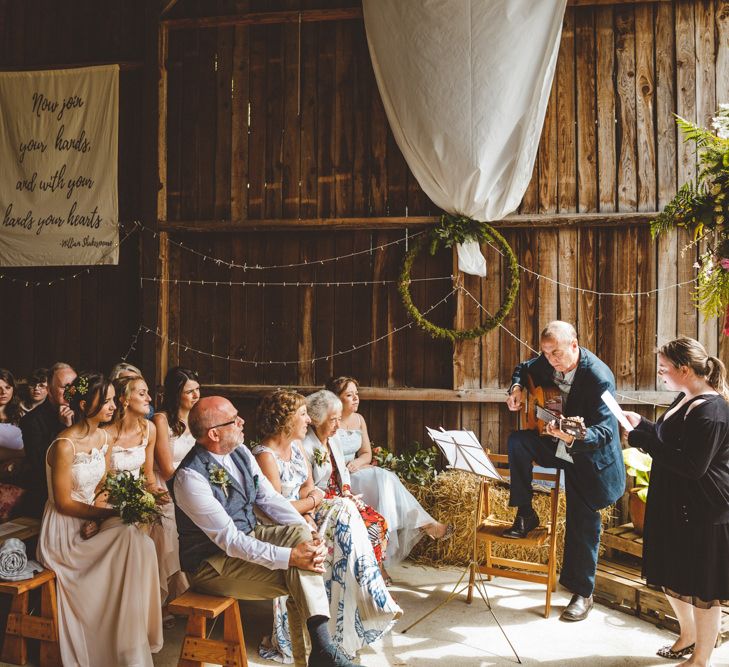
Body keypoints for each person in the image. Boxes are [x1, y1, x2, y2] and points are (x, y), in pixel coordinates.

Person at [171, 395, 357, 667]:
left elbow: (270, 499)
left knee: (300, 541)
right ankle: (322, 652)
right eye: (234, 420)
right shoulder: (190, 478)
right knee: (299, 571)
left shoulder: (241, 452)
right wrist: (290, 557)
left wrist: (307, 529)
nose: (242, 421)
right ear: (214, 433)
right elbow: (231, 542)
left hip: (249, 537)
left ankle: (320, 652)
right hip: (211, 565)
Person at [253, 390, 401, 663]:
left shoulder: (295, 447)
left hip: (306, 516)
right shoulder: (265, 455)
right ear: (286, 420)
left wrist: (309, 508)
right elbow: (274, 509)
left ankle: (352, 616)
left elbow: (309, 486)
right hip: (280, 527)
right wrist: (309, 505)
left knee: (349, 512)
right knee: (345, 509)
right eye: (302, 414)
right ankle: (372, 596)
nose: (308, 420)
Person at [37, 373, 162, 666]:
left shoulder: (104, 437)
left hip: (91, 518)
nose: (111, 405)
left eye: (110, 399)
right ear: (83, 404)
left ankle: (130, 639)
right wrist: (107, 515)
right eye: (104, 400)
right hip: (63, 533)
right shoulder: (64, 445)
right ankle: (117, 643)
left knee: (140, 542)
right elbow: (65, 503)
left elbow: (104, 486)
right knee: (131, 540)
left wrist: (104, 516)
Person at [505, 320, 624, 621]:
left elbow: (607, 432)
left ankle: (583, 593)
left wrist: (572, 436)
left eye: (556, 353)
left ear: (574, 344)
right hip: (557, 443)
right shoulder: (546, 363)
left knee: (582, 522)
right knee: (518, 442)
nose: (551, 360)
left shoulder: (599, 377)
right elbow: (523, 366)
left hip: (589, 456)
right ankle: (524, 512)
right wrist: (517, 387)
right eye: (546, 353)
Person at [625, 337, 729, 666]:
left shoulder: (712, 411)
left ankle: (700, 659)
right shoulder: (685, 398)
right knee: (671, 573)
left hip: (703, 507)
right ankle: (689, 634)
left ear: (684, 370)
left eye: (664, 369)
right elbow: (669, 440)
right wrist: (643, 425)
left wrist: (641, 440)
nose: (661, 374)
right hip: (675, 503)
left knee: (702, 588)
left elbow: (692, 465)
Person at [326, 376, 452, 564]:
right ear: (336, 399)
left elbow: (367, 453)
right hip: (338, 478)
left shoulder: (359, 420)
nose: (356, 398)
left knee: (385, 481)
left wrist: (358, 464)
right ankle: (425, 523)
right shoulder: (328, 421)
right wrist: (346, 468)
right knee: (383, 477)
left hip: (356, 470)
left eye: (357, 394)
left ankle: (386, 551)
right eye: (349, 395)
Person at [302, 390, 390, 579]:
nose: (338, 425)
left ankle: (373, 576)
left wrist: (347, 492)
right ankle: (364, 580)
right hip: (320, 502)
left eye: (339, 419)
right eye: (333, 420)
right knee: (370, 526)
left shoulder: (333, 438)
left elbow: (342, 470)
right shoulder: (306, 445)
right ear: (317, 419)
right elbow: (309, 489)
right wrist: (342, 500)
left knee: (380, 522)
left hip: (340, 496)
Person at [150, 366, 200, 607]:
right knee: (170, 532)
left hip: (194, 486)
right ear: (176, 393)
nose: (196, 395)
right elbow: (167, 468)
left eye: (197, 390)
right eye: (189, 391)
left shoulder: (199, 418)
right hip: (167, 486)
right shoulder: (161, 420)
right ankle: (168, 600)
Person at [20, 362, 77, 518]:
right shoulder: (31, 421)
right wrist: (62, 428)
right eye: (64, 387)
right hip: (48, 497)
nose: (71, 391)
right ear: (49, 390)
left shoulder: (84, 413)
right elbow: (40, 463)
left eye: (74, 386)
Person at [0, 369, 24, 461]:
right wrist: (22, 453)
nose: (3, 392)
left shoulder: (20, 414)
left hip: (18, 469)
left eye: (8, 387)